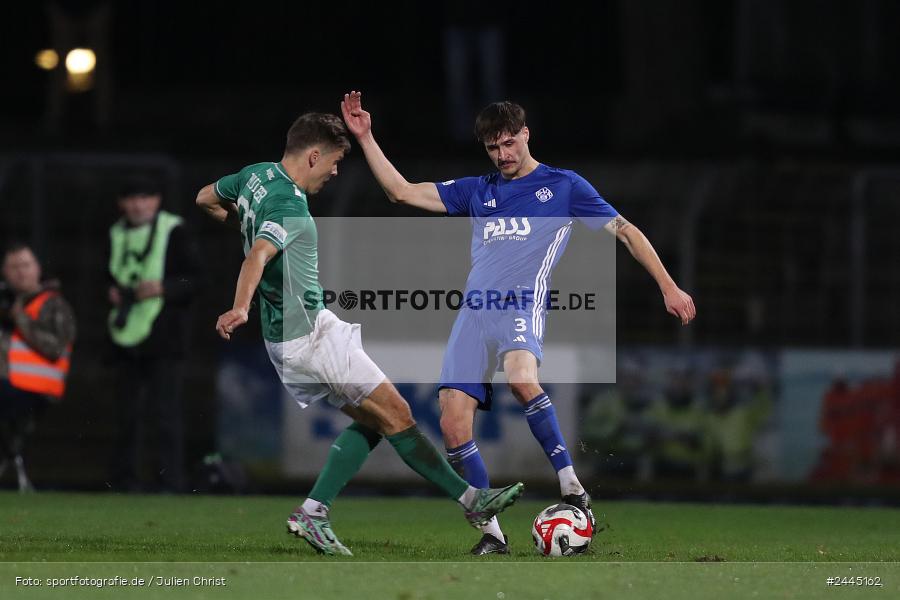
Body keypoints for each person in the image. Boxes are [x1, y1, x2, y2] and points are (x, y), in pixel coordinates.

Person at [341, 90, 697, 554]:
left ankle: (572, 486)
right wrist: (366, 138)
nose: (502, 154)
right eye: (493, 147)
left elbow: (626, 231)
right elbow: (401, 191)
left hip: (520, 304)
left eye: (509, 143)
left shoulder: (564, 186)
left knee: (521, 378)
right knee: (452, 423)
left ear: (526, 135)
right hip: (474, 312)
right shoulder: (478, 190)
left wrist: (669, 286)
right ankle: (492, 535)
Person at [195, 112, 523, 557]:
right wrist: (240, 307)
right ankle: (471, 500)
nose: (334, 172)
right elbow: (257, 256)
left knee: (376, 420)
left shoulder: (255, 176)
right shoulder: (290, 206)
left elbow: (204, 198)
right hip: (309, 334)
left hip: (287, 339)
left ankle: (314, 511)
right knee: (398, 414)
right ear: (313, 156)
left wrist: (241, 222)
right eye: (333, 162)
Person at [107, 180, 202, 493]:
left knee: (166, 413)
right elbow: (106, 276)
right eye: (131, 198)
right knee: (126, 414)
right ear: (122, 203)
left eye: (144, 198)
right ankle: (124, 481)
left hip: (165, 337)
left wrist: (164, 288)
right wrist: (111, 293)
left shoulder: (175, 231)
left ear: (157, 200)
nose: (138, 205)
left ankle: (169, 481)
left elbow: (197, 280)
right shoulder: (116, 233)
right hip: (125, 336)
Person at [0, 243, 76, 491]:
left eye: (25, 265)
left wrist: (20, 318)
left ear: (37, 269)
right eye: (13, 267)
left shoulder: (53, 304)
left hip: (35, 387)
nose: (20, 272)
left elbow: (56, 348)